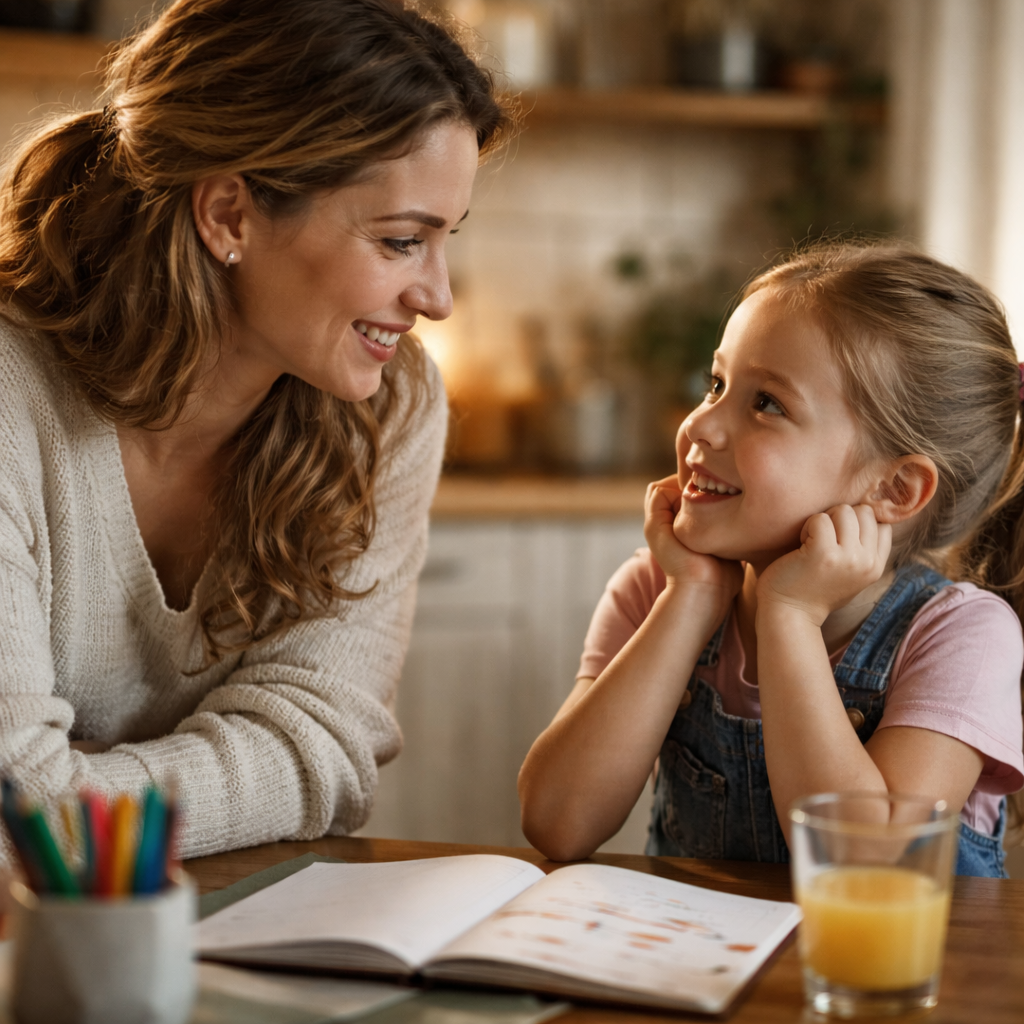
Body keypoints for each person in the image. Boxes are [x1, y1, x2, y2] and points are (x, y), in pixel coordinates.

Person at [0, 0, 513, 859]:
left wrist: (79, 788)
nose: (438, 298)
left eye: (443, 240)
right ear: (229, 215)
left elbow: (326, 748)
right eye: (400, 241)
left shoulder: (389, 407)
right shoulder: (13, 396)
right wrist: (235, 775)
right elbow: (20, 809)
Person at [519, 243, 1024, 877]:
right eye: (717, 384)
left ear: (894, 490)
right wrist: (689, 600)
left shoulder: (962, 636)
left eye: (767, 404)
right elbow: (558, 823)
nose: (701, 426)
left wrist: (789, 616)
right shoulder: (656, 590)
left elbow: (866, 871)